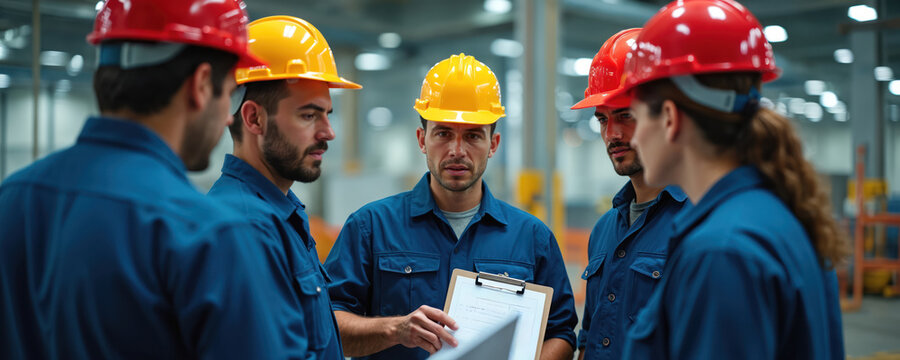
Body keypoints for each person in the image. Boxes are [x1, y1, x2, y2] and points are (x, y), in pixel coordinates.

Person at [0, 1, 291, 359]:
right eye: (229, 93)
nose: (227, 118)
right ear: (201, 85)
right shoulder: (205, 233)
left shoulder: (12, 198)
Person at [606, 0, 847, 358]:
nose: (633, 138)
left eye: (636, 116)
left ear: (670, 119)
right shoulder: (778, 215)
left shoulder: (721, 251)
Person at [323, 53, 578, 360]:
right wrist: (395, 330)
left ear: (493, 144)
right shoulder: (371, 227)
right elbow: (327, 325)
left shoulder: (532, 237)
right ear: (422, 139)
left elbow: (561, 333)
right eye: (443, 133)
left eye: (473, 136)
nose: (457, 151)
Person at [206, 15, 361, 358]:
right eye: (309, 115)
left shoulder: (280, 209)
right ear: (254, 118)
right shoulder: (245, 227)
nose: (328, 132)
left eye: (327, 114)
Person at [569, 28, 688, 360]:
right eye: (603, 120)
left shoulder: (698, 223)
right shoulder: (605, 230)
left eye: (625, 115)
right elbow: (590, 335)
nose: (612, 134)